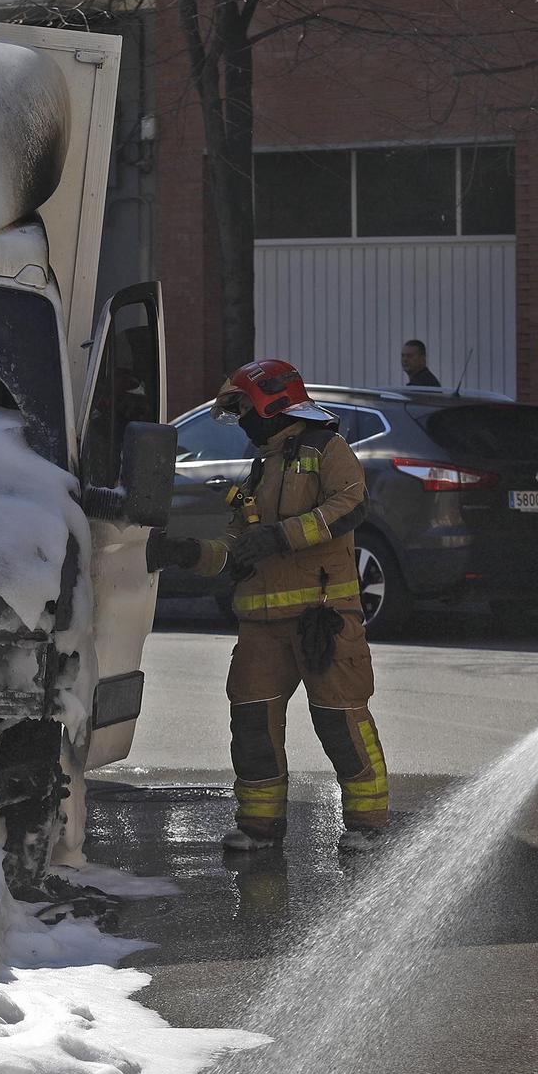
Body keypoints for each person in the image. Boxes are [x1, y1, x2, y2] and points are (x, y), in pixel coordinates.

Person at [147, 359, 390, 853]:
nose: (242, 422)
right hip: (260, 626)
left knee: (338, 720)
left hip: (322, 619)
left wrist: (281, 536)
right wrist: (185, 552)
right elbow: (235, 553)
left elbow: (351, 504)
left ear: (270, 403)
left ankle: (368, 826)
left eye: (244, 410)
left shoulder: (327, 449)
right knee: (252, 724)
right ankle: (259, 828)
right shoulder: (262, 467)